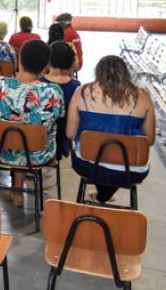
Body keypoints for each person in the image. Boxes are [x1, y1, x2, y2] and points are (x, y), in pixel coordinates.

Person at [66, 55, 155, 204]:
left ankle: (103, 194)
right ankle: (103, 195)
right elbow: (150, 140)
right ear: (125, 72)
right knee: (113, 163)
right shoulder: (143, 96)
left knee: (101, 160)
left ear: (98, 72)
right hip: (131, 169)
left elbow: (70, 133)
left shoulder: (82, 92)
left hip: (88, 165)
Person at [0, 40, 63, 206]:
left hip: (1, 150)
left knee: (16, 134)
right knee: (28, 134)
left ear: (19, 60)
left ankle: (16, 189)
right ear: (46, 66)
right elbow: (57, 117)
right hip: (37, 154)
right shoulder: (52, 92)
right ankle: (17, 190)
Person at [41, 41, 82, 159]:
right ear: (70, 62)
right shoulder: (76, 85)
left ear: (48, 60)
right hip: (63, 136)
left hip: (41, 135)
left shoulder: (40, 83)